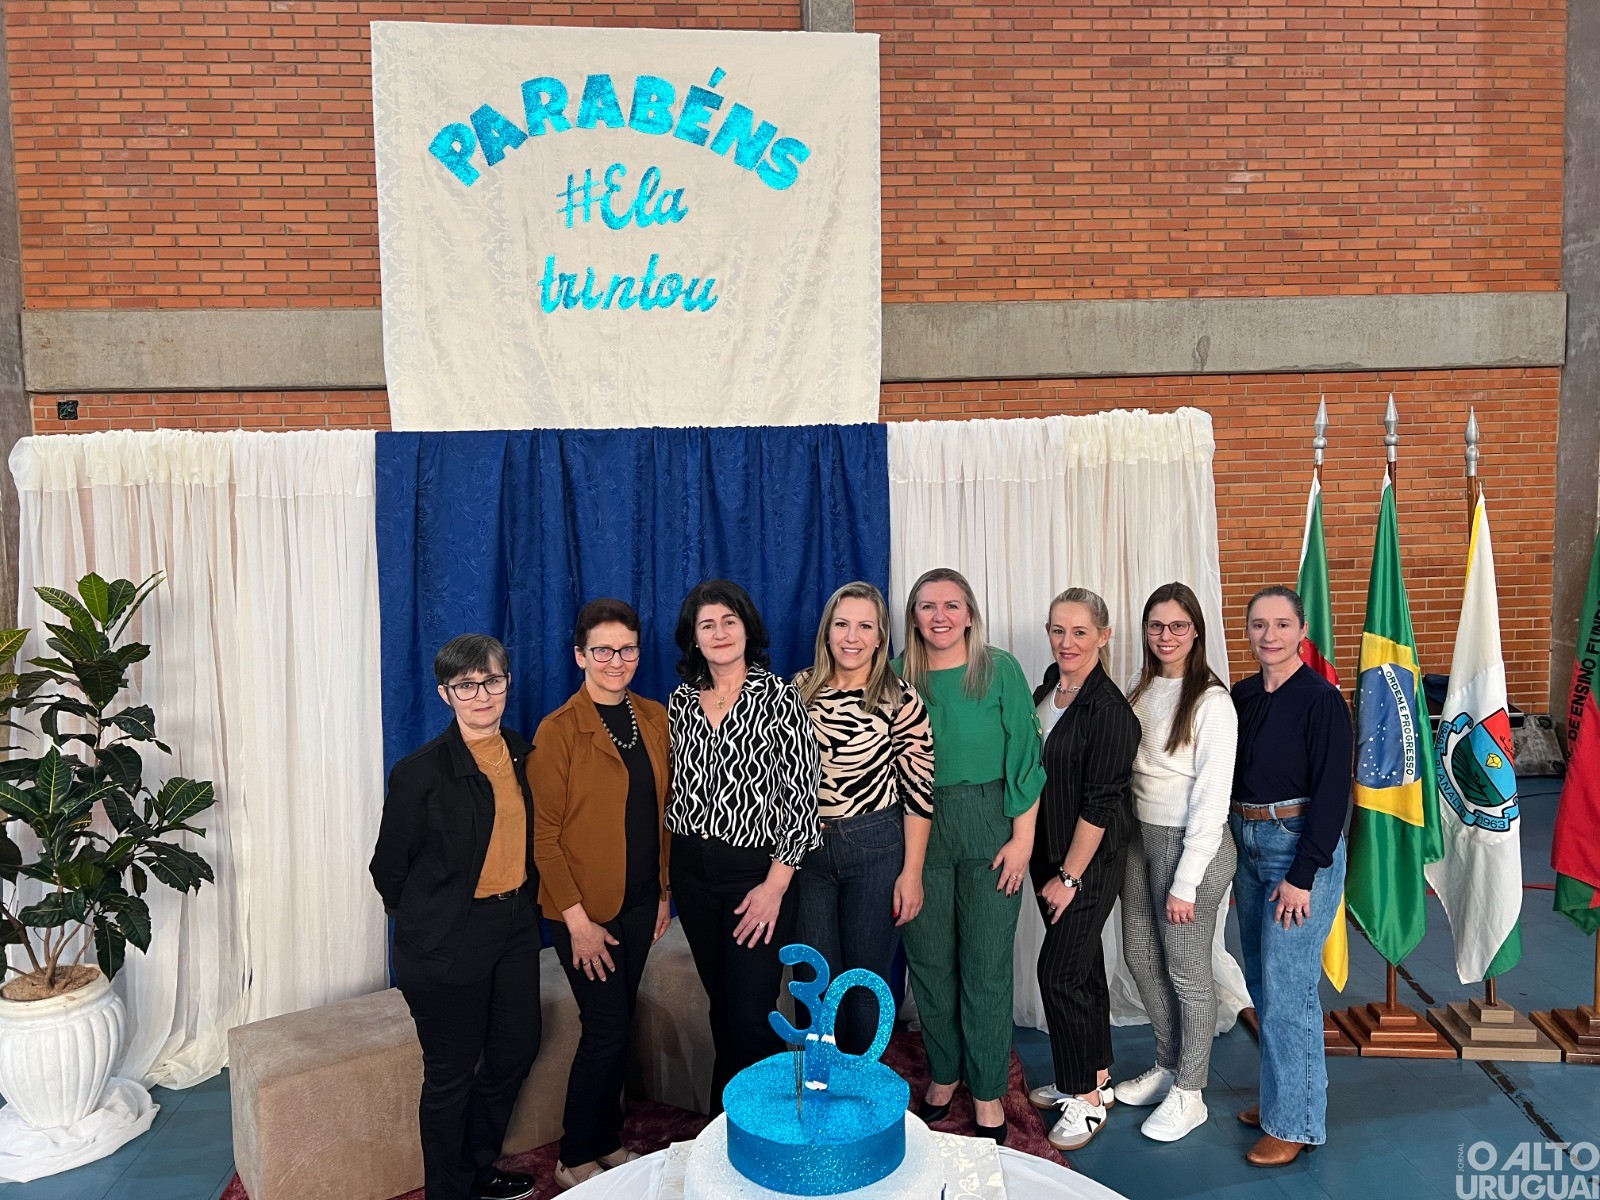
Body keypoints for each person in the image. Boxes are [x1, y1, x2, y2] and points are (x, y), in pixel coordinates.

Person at [370, 635, 541, 1200]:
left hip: (515, 926)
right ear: (446, 694)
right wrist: (430, 923)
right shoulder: (419, 772)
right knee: (450, 1071)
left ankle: (477, 1165)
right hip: (447, 939)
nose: (482, 694)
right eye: (466, 685)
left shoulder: (522, 753)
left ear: (507, 683)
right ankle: (449, 1191)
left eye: (492, 681)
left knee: (516, 1047)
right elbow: (388, 869)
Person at [895, 567, 1044, 1144]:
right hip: (917, 827)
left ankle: (986, 1090)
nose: (940, 617)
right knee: (929, 960)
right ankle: (945, 1072)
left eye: (952, 605)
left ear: (970, 614)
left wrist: (1023, 839)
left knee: (985, 964)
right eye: (928, 606)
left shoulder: (999, 669)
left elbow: (1026, 757)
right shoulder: (896, 675)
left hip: (989, 823)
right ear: (913, 616)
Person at [529, 599, 671, 1190]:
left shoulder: (656, 717)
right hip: (585, 912)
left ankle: (607, 1138)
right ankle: (575, 1153)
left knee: (617, 1024)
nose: (617, 661)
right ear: (581, 655)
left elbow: (667, 814)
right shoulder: (558, 730)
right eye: (603, 650)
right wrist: (577, 921)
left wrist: (664, 892)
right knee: (606, 1028)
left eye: (628, 648)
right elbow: (544, 838)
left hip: (641, 902)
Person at [664, 579, 821, 1112]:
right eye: (708, 624)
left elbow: (802, 799)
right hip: (692, 871)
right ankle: (725, 1122)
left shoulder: (780, 699)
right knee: (722, 1006)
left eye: (730, 621)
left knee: (752, 1014)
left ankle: (761, 1131)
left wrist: (775, 888)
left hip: (755, 874)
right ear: (695, 638)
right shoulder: (681, 702)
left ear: (747, 628)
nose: (720, 632)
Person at [1108, 582, 1238, 1142]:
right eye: (1156, 626)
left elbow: (1212, 798)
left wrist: (1185, 881)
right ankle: (1167, 1065)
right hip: (1142, 839)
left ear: (1196, 632)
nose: (1166, 636)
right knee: (1140, 957)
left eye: (1178, 626)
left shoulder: (1212, 701)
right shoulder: (1139, 691)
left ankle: (1192, 1092)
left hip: (1193, 847)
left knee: (1188, 973)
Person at [1230, 585, 1352, 1166]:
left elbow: (1332, 795)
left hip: (1297, 848)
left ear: (1301, 631)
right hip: (1248, 841)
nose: (1269, 635)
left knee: (1288, 986)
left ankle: (1295, 1121)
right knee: (1260, 979)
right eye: (1258, 625)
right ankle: (1287, 1094)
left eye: (1281, 624)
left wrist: (1304, 873)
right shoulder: (1243, 695)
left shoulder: (1321, 700)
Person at [792, 581, 935, 1055]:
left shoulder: (901, 699)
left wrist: (911, 874)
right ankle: (819, 1092)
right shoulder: (798, 691)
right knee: (815, 980)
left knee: (864, 981)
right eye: (842, 624)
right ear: (827, 632)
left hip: (874, 846)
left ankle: (862, 1095)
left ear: (880, 637)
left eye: (865, 627)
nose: (851, 637)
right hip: (807, 851)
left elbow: (918, 794)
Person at [1023, 588, 1141, 1152]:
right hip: (1049, 851)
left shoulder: (1111, 711)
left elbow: (1099, 805)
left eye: (1078, 632)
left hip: (1087, 862)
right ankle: (1095, 1075)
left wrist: (1068, 878)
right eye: (1057, 630)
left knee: (1059, 973)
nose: (1066, 643)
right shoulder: (1050, 685)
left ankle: (1085, 1103)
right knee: (1084, 966)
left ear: (1104, 635)